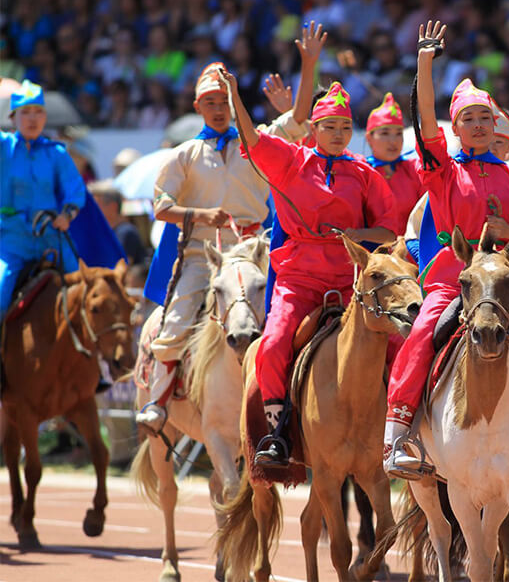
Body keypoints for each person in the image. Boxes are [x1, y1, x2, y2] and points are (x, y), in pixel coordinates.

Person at [383, 21, 509, 482]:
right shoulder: (442, 171)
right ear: (458, 127)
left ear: (496, 126)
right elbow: (425, 121)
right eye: (467, 119)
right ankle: (398, 438)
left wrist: (506, 229)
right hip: (453, 277)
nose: (476, 125)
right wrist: (425, 63)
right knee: (420, 338)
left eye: (484, 118)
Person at [234, 27, 402, 468]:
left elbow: (389, 232)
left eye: (346, 127)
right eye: (330, 126)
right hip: (299, 281)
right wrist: (236, 96)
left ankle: (406, 428)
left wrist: (356, 237)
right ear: (314, 129)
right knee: (271, 345)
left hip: (351, 286)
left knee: (403, 340)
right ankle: (276, 433)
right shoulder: (291, 160)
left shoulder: (364, 172)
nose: (339, 134)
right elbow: (251, 140)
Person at [135, 58, 309, 434]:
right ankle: (158, 402)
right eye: (210, 102)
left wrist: (308, 62)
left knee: (295, 317)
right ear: (197, 107)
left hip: (255, 251)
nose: (218, 109)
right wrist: (199, 214)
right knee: (176, 322)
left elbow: (298, 119)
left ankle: (299, 404)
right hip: (203, 255)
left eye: (224, 101)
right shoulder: (183, 155)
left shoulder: (257, 140)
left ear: (234, 105)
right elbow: (161, 207)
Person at [1, 80, 84, 318]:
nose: (32, 119)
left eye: (38, 112)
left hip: (52, 239)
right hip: (11, 242)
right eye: (25, 112)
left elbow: (75, 190)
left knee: (83, 288)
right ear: (13, 118)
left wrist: (66, 215)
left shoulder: (56, 153)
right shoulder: (3, 147)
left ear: (45, 118)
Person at [364, 92, 424, 224]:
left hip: (410, 242)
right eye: (385, 133)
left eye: (398, 134)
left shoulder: (414, 170)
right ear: (369, 138)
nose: (393, 141)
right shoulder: (362, 171)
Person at [89, 180, 147, 266]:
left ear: (113, 206)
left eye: (96, 206)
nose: (92, 210)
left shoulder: (127, 232)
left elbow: (122, 268)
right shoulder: (106, 232)